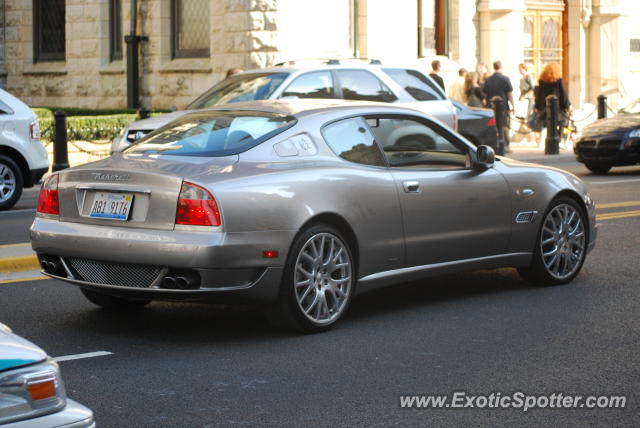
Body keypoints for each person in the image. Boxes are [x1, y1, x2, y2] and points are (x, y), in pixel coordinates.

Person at [533, 62, 571, 148]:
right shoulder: (558, 80)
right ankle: (559, 140)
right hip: (558, 108)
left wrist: (538, 106)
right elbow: (563, 94)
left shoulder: (542, 81)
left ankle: (546, 141)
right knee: (561, 122)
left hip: (545, 107)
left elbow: (539, 95)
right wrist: (567, 105)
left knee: (547, 123)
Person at [483, 61, 514, 151]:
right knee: (504, 125)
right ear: (501, 67)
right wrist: (513, 105)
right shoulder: (505, 79)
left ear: (494, 67)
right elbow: (509, 94)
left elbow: (485, 94)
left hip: (490, 107)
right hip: (503, 106)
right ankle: (505, 145)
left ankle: (493, 144)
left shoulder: (488, 79)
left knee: (492, 126)